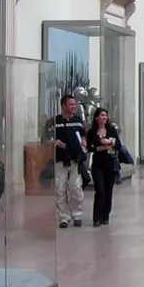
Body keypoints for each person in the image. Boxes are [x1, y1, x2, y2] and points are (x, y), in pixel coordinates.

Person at [45, 94, 87, 229]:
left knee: (75, 188)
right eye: (71, 104)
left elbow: (84, 135)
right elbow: (44, 139)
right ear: (63, 106)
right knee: (59, 189)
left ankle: (77, 214)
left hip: (75, 160)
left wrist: (84, 141)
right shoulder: (54, 122)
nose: (74, 107)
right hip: (60, 160)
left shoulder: (78, 120)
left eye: (75, 104)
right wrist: (54, 142)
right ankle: (63, 217)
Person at [86, 108, 121, 227]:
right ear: (97, 118)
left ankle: (105, 215)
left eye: (106, 115)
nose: (104, 117)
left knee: (108, 191)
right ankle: (96, 217)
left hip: (109, 163)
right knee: (99, 190)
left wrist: (111, 143)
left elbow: (118, 145)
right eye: (102, 115)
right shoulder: (92, 132)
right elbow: (89, 148)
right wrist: (101, 147)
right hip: (97, 164)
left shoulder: (111, 130)